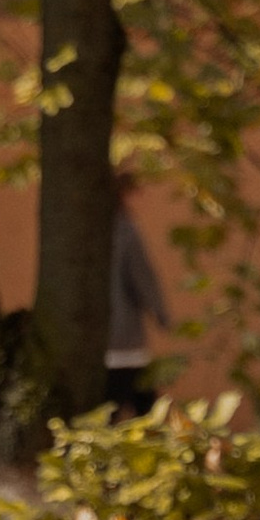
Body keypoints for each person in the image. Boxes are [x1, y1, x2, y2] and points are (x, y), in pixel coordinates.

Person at [108, 174, 168, 417]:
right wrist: (161, 313)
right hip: (125, 341)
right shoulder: (125, 230)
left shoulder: (85, 232)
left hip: (97, 343)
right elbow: (142, 276)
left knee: (105, 414)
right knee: (145, 412)